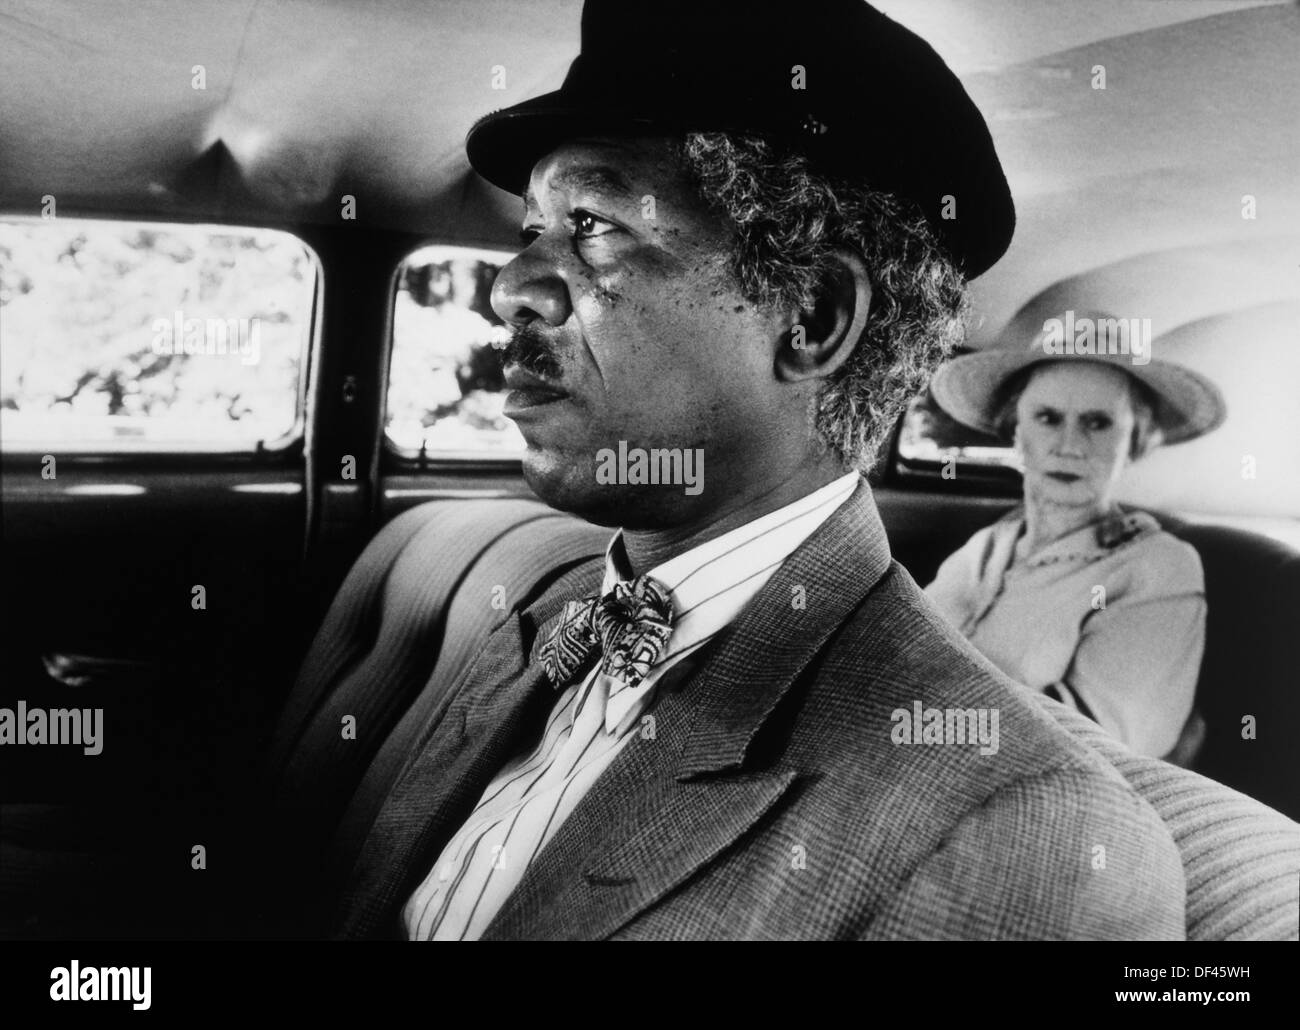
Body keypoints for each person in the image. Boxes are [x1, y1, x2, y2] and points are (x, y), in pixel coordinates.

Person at [328, 0, 1186, 940]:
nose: (511, 287)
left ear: (811, 316)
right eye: (531, 230)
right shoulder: (547, 617)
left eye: (594, 225)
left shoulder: (1026, 837)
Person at [925, 315, 1226, 759]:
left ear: (1135, 441)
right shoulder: (987, 545)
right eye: (1047, 417)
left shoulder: (1158, 566)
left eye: (1097, 423)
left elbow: (1091, 750)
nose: (1069, 445)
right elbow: (901, 648)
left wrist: (913, 719)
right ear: (1016, 432)